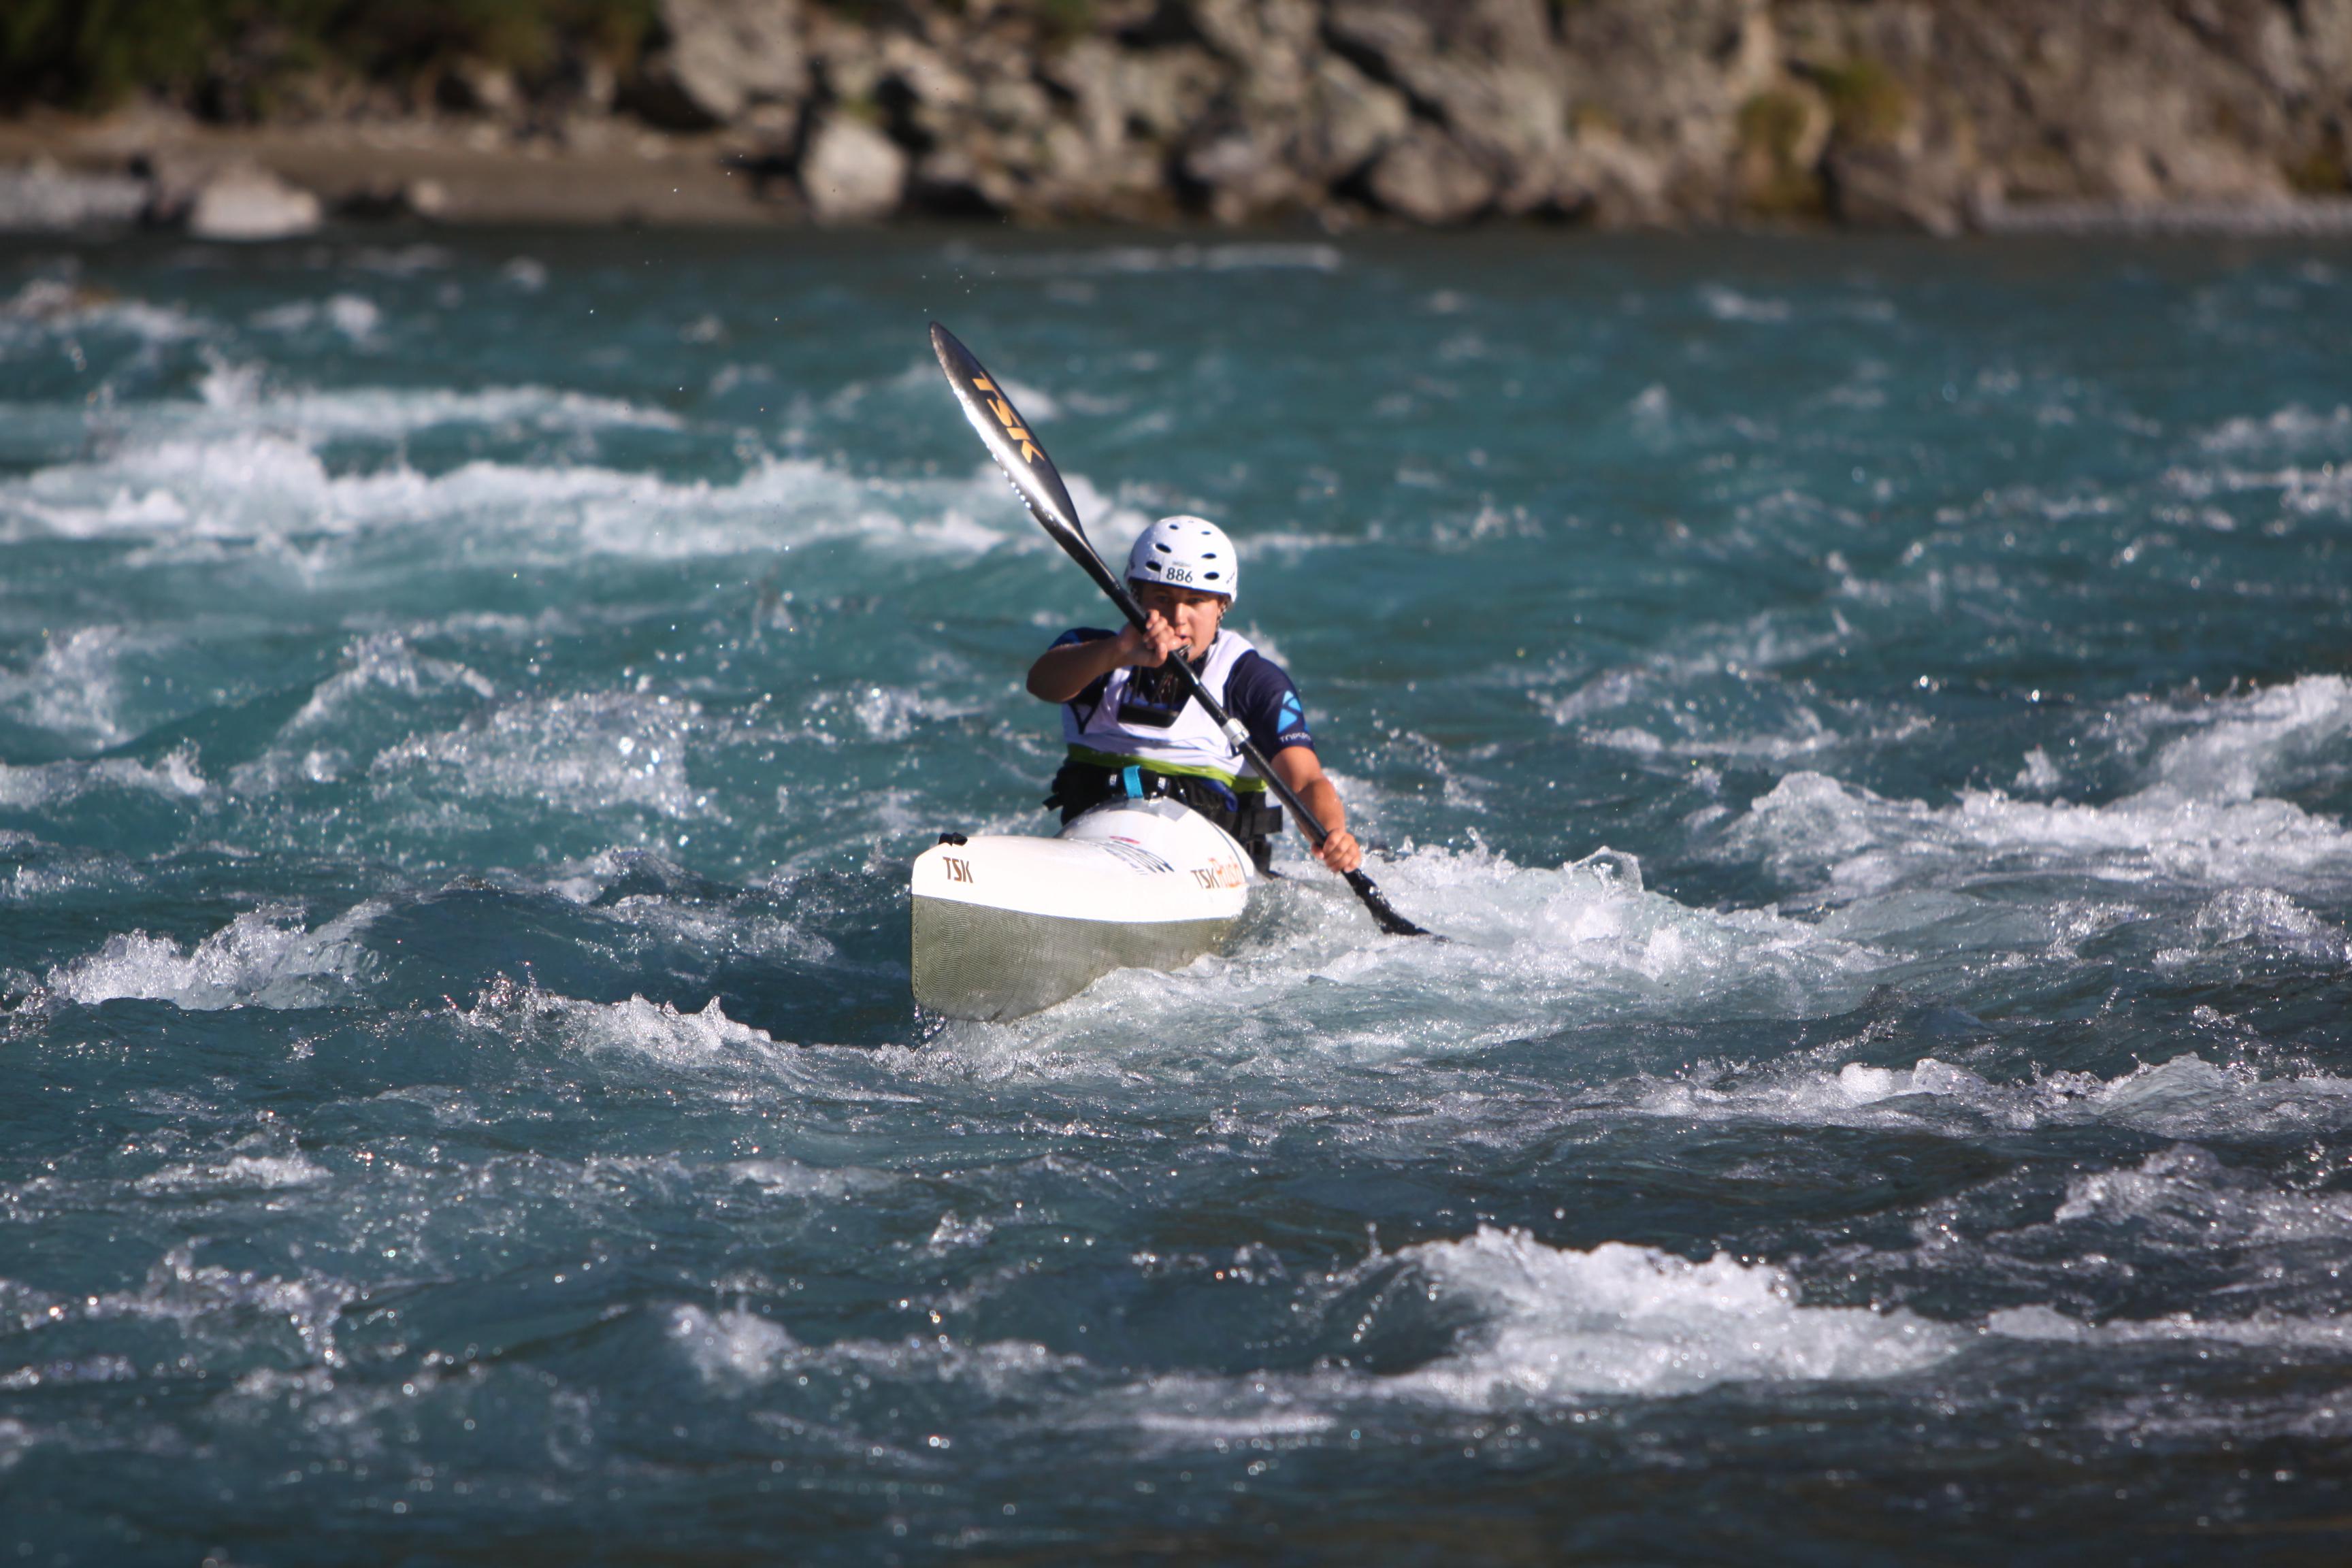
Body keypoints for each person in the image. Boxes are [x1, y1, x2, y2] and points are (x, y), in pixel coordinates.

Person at [1025, 514, 1363, 877]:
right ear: (1135, 597)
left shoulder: (1252, 682)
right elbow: (1042, 683)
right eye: (1162, 598)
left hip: (1213, 876)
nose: (1178, 617)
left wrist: (1334, 833)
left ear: (1221, 608)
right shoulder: (1094, 655)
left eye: (1196, 601)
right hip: (1093, 853)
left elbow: (1305, 780)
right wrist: (1116, 652)